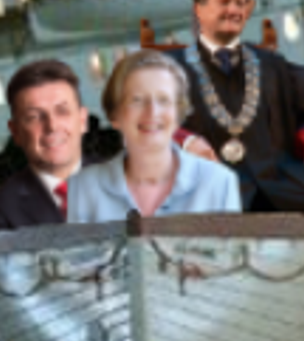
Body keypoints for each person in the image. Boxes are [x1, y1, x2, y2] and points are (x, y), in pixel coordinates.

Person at [172, 0, 304, 215]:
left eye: (238, 3)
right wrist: (187, 142)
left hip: (275, 180)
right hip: (209, 187)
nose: (232, 10)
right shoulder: (168, 70)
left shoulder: (270, 64)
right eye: (223, 3)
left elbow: (293, 121)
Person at [67, 50, 240, 223]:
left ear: (178, 113)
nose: (152, 112)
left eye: (163, 100)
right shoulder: (83, 189)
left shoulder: (219, 183)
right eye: (137, 100)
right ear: (115, 116)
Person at [0, 59, 89, 232]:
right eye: (34, 117)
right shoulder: (0, 211)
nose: (52, 126)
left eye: (62, 111)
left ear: (82, 120)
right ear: (16, 132)